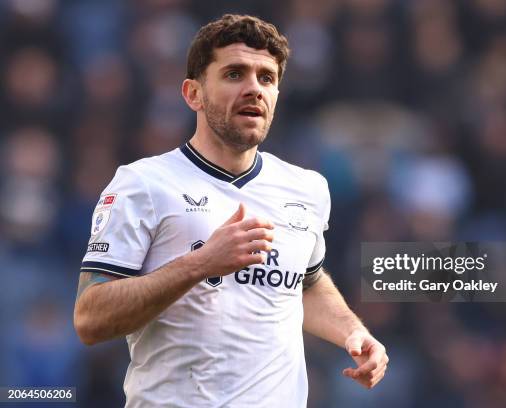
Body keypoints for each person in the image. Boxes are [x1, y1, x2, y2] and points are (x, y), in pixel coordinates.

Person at [73, 14, 388, 407]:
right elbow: (90, 319)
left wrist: (352, 332)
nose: (254, 89)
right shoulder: (143, 184)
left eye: (267, 78)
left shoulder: (307, 188)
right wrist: (200, 263)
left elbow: (303, 282)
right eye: (235, 74)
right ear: (193, 94)